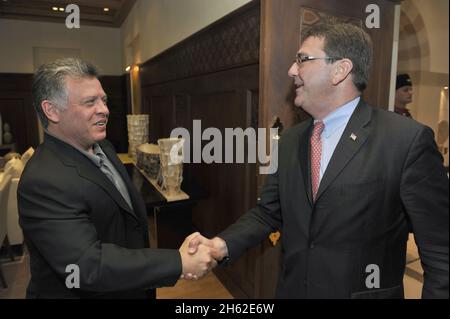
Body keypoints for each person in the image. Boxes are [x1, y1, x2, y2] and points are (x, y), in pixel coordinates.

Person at [188, 23, 449, 298]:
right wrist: (221, 245)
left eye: (302, 59)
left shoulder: (406, 141)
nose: (291, 70)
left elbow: (441, 253)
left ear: (340, 69)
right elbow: (268, 212)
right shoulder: (290, 141)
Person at [19, 58, 216, 298]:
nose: (104, 109)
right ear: (52, 110)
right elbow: (87, 266)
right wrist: (178, 262)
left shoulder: (105, 146)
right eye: (90, 102)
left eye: (103, 100)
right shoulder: (42, 180)